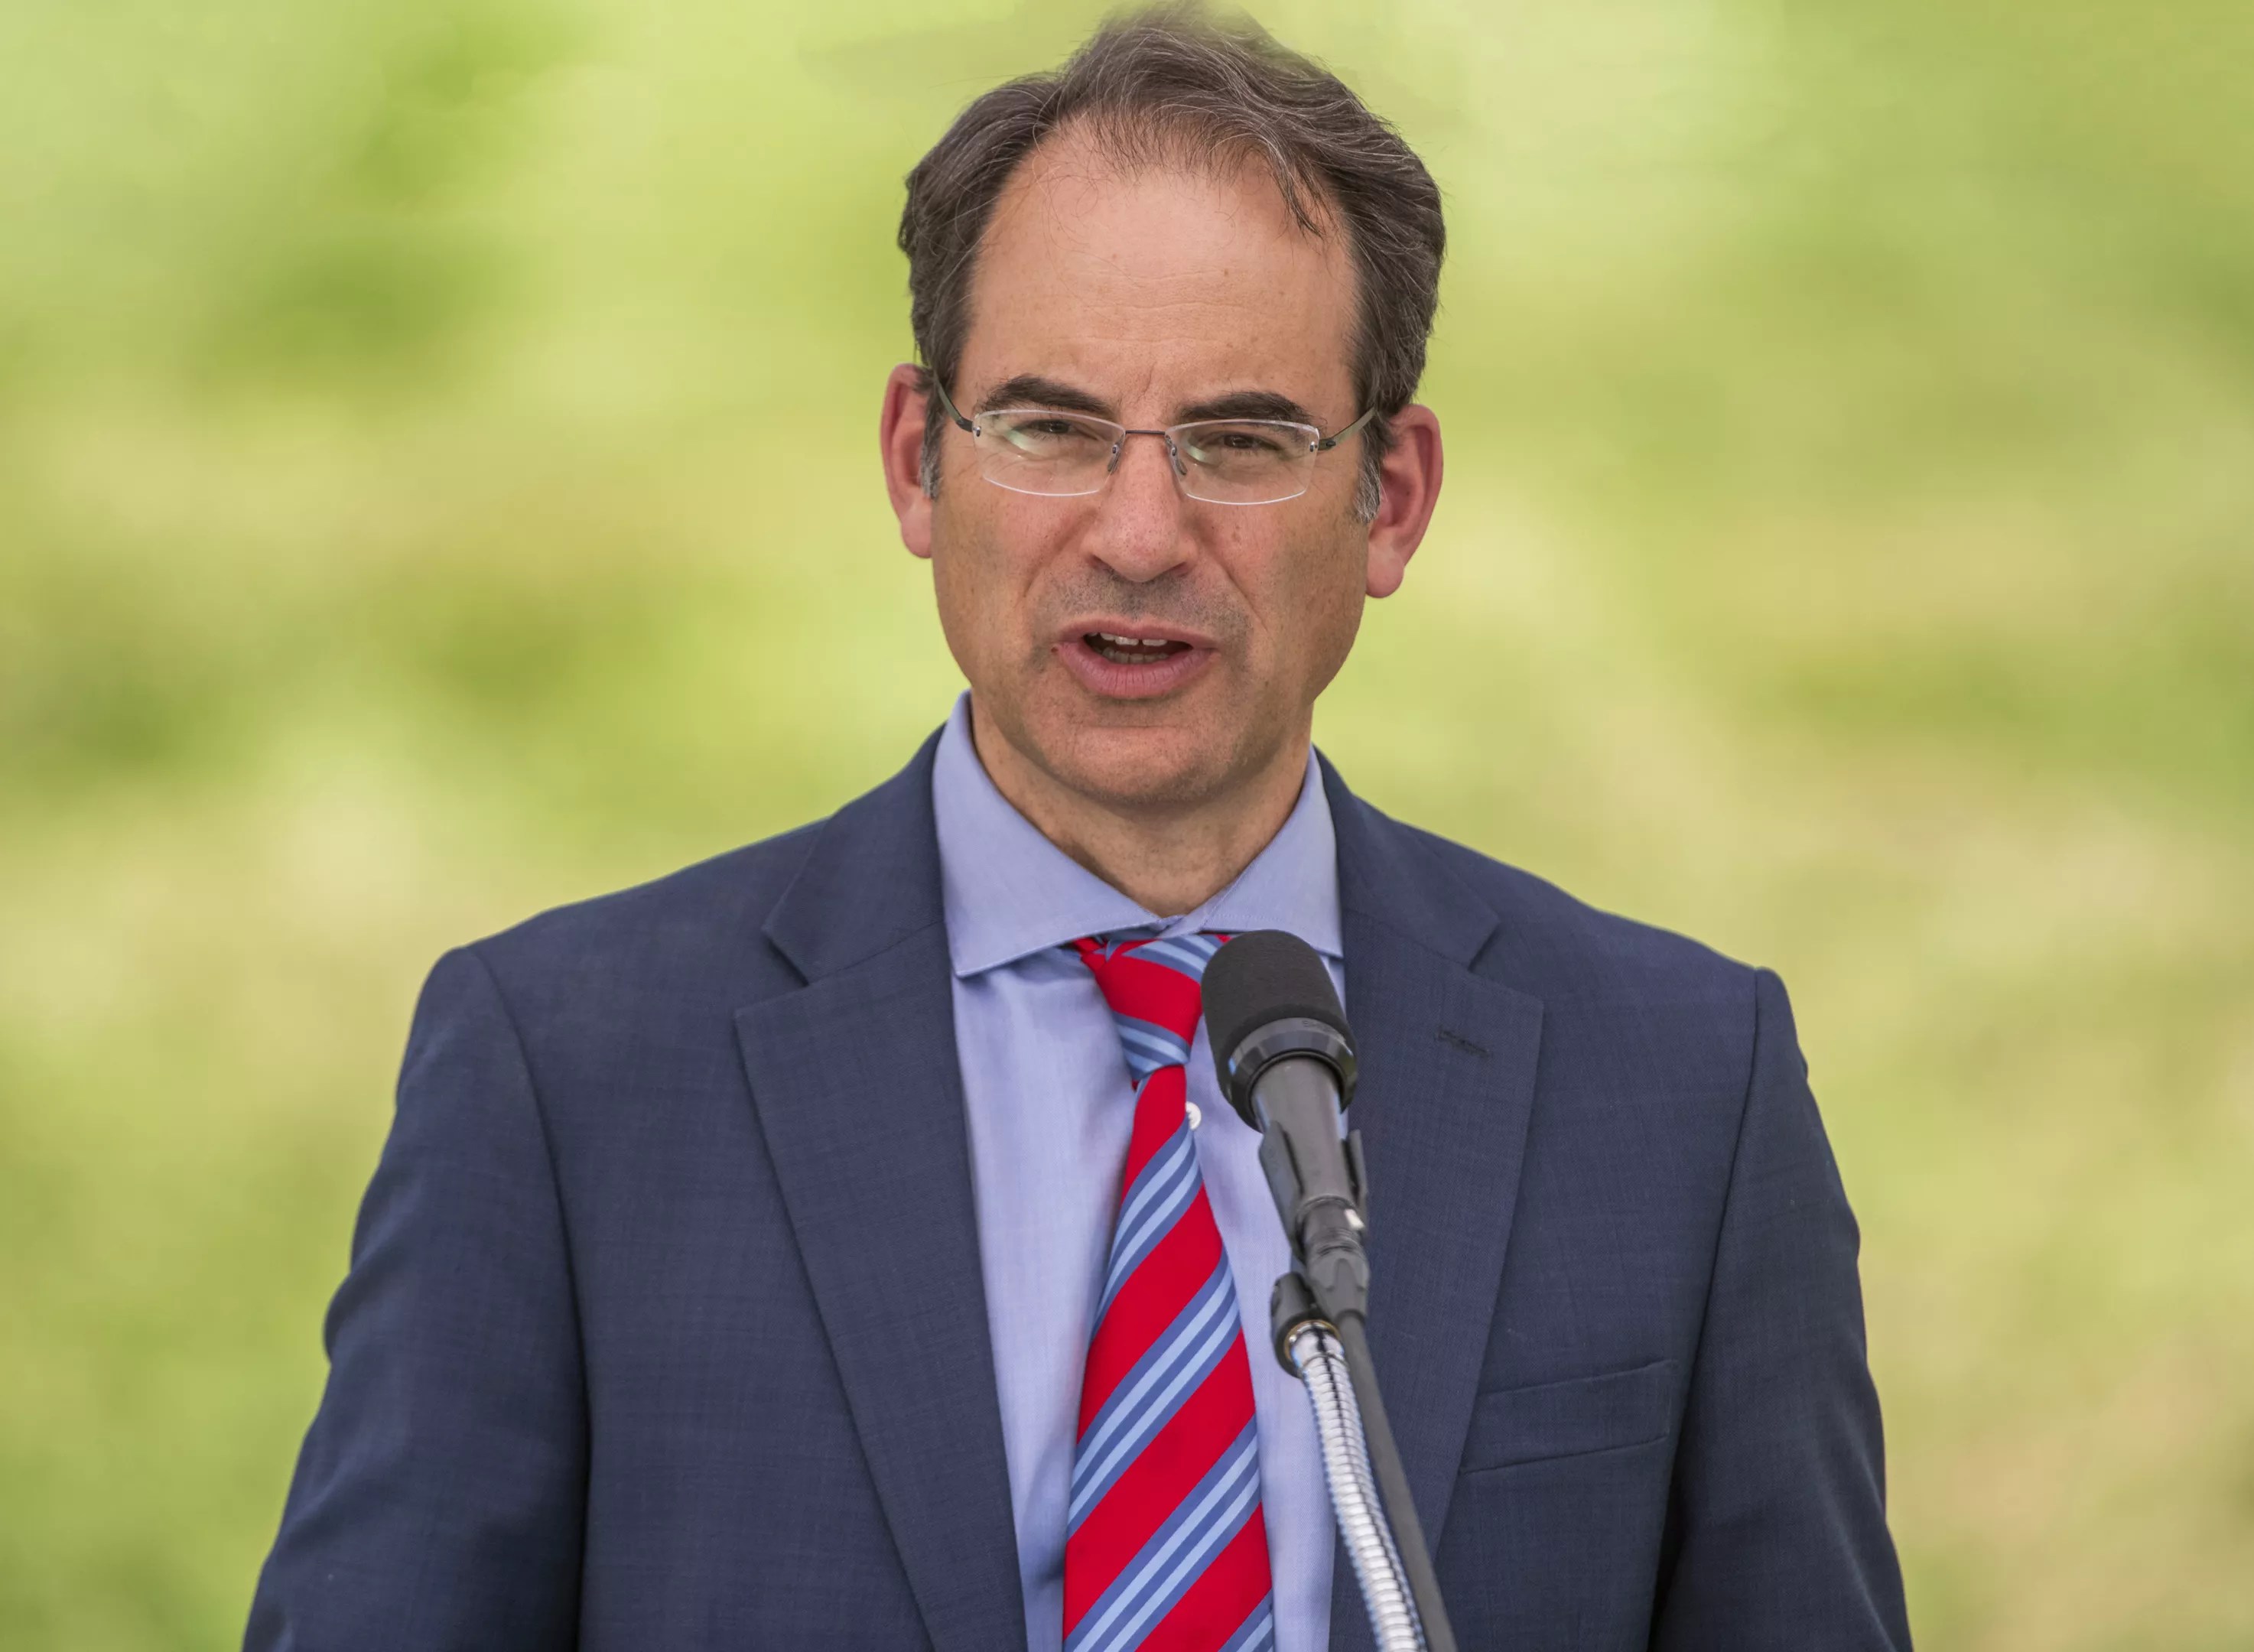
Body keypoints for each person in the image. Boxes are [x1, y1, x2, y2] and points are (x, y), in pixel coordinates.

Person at [246, 11, 1911, 1651]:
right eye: (1048, 427)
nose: (1137, 531)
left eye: (1241, 441)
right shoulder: (565, 1076)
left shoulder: (1687, 1089)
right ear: (918, 461)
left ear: (1387, 498)